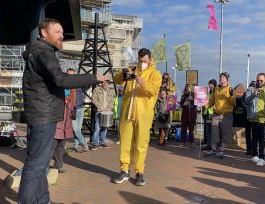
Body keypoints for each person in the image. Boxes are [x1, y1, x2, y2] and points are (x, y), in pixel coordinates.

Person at [19, 18, 107, 204]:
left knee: (39, 164)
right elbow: (61, 80)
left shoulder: (41, 51)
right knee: (36, 166)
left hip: (42, 115)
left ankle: (42, 200)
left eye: (62, 31)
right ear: (44, 33)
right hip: (43, 116)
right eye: (57, 32)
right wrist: (93, 77)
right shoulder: (44, 52)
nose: (62, 35)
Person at [112, 48, 161, 186]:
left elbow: (153, 91)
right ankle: (124, 170)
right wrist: (123, 74)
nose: (142, 63)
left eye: (144, 61)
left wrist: (141, 81)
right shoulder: (131, 69)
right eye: (140, 61)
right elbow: (116, 80)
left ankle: (139, 172)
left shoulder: (155, 74)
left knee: (141, 144)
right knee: (125, 142)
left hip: (144, 114)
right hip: (127, 112)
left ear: (150, 59)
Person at [204, 72, 235, 159]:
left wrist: (232, 95)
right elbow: (211, 101)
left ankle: (222, 151)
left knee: (225, 133)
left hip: (226, 115)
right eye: (220, 76)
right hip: (216, 114)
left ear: (227, 79)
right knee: (214, 133)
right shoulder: (216, 89)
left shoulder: (230, 89)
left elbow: (233, 103)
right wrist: (205, 106)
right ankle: (213, 150)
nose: (221, 78)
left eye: (223, 77)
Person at [245, 73, 265, 166]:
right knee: (254, 138)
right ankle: (254, 155)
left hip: (264, 119)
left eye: (261, 81)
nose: (259, 82)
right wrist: (254, 94)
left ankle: (262, 157)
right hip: (254, 118)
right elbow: (246, 101)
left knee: (262, 139)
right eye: (258, 80)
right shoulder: (251, 89)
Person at [51, 81, 76, 173]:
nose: (68, 91)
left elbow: (72, 111)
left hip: (66, 127)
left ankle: (58, 165)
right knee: (51, 146)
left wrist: (73, 114)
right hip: (57, 126)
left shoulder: (70, 100)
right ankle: (44, 165)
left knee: (61, 147)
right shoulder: (56, 99)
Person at [91, 81, 115, 150]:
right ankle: (95, 144)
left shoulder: (111, 91)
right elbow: (94, 99)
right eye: (104, 83)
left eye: (106, 83)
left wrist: (109, 108)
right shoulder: (97, 89)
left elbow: (112, 101)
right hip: (99, 111)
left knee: (105, 128)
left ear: (108, 84)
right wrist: (100, 107)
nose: (105, 84)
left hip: (107, 112)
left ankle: (102, 142)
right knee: (97, 128)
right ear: (102, 83)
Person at [69, 68, 89, 153]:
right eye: (69, 74)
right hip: (72, 109)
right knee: (76, 129)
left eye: (72, 75)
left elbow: (88, 84)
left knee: (78, 130)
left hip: (80, 108)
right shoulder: (66, 85)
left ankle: (75, 146)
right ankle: (84, 143)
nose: (71, 76)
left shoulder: (79, 84)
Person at [202, 79, 217, 150]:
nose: (210, 86)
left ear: (214, 85)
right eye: (209, 84)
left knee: (213, 131)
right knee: (207, 130)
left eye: (211, 84)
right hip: (207, 113)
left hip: (213, 113)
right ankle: (208, 144)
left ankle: (214, 146)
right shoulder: (207, 93)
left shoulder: (216, 93)